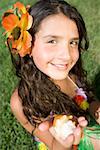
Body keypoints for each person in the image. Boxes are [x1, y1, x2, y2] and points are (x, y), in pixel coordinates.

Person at [2, 0, 100, 149]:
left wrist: (96, 110)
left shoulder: (70, 73)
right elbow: (54, 145)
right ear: (27, 44)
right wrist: (63, 142)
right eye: (52, 41)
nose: (66, 55)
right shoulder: (24, 100)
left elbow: (90, 97)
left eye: (72, 42)